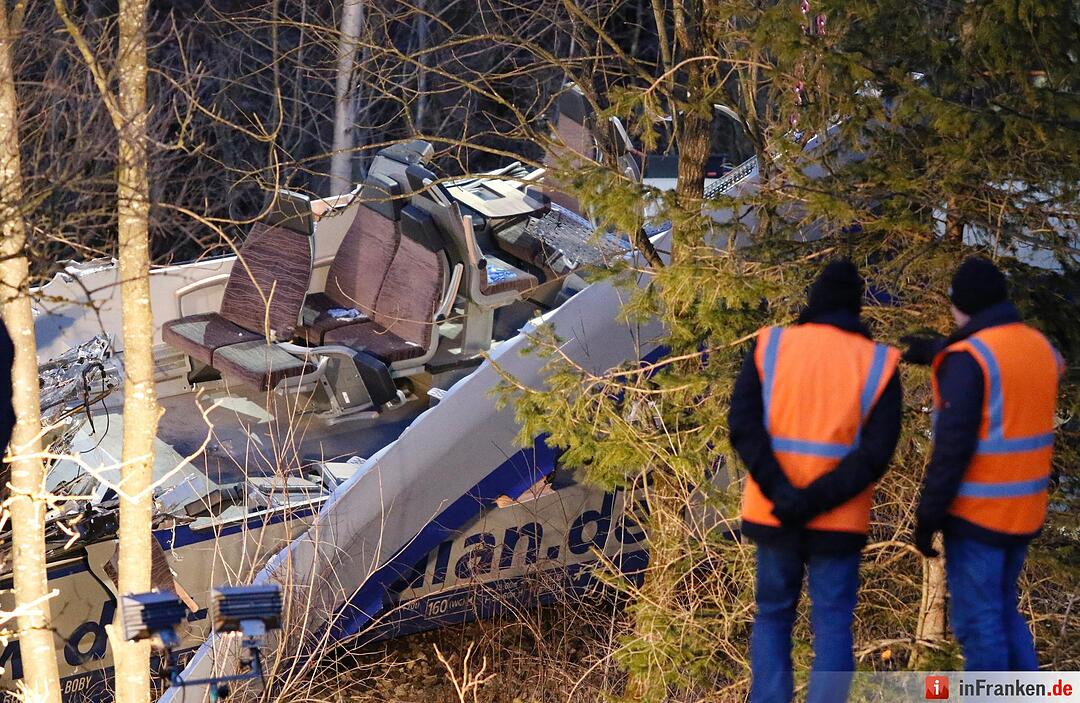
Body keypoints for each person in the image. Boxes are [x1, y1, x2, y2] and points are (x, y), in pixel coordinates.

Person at [729, 259, 903, 703]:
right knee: (831, 623)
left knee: (772, 616)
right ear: (856, 308)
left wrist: (784, 494)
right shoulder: (879, 363)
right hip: (839, 522)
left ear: (812, 302)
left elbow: (744, 427)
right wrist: (818, 498)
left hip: (775, 513)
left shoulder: (771, 346)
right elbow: (875, 455)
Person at [904, 256, 1063, 671]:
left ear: (960, 306)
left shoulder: (968, 358)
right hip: (1024, 512)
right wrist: (941, 349)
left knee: (979, 627)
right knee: (1004, 614)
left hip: (979, 516)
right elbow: (1005, 365)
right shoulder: (1038, 347)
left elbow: (952, 448)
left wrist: (927, 516)